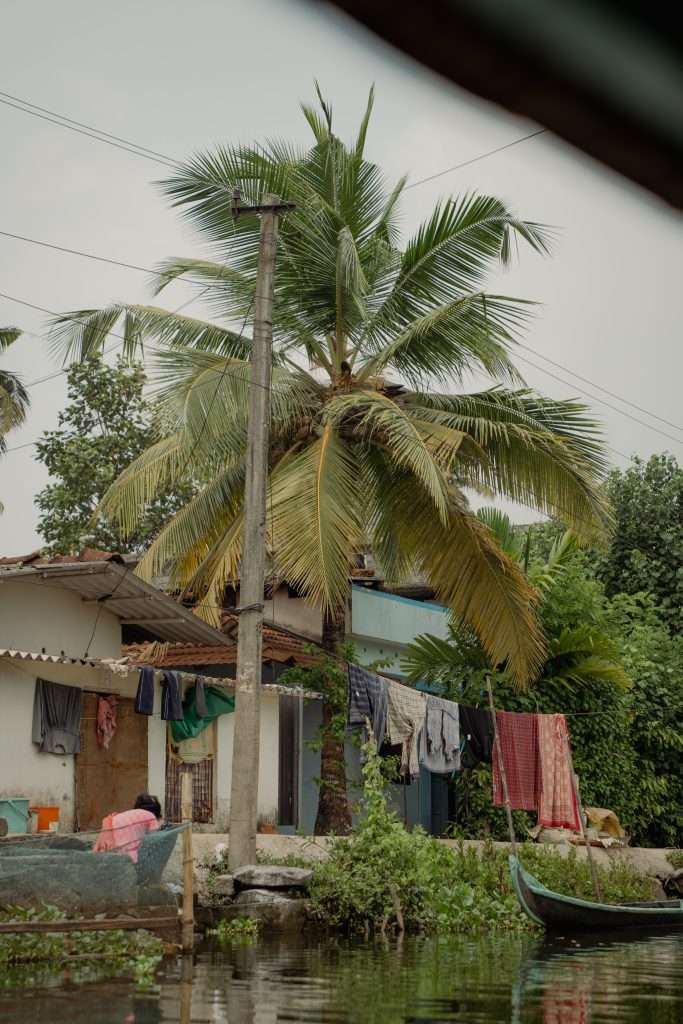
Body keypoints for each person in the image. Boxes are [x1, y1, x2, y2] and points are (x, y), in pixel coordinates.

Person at [93, 793, 162, 863]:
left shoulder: (125, 815)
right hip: (121, 849)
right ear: (157, 815)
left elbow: (108, 819)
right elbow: (155, 837)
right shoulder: (151, 817)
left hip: (103, 842)